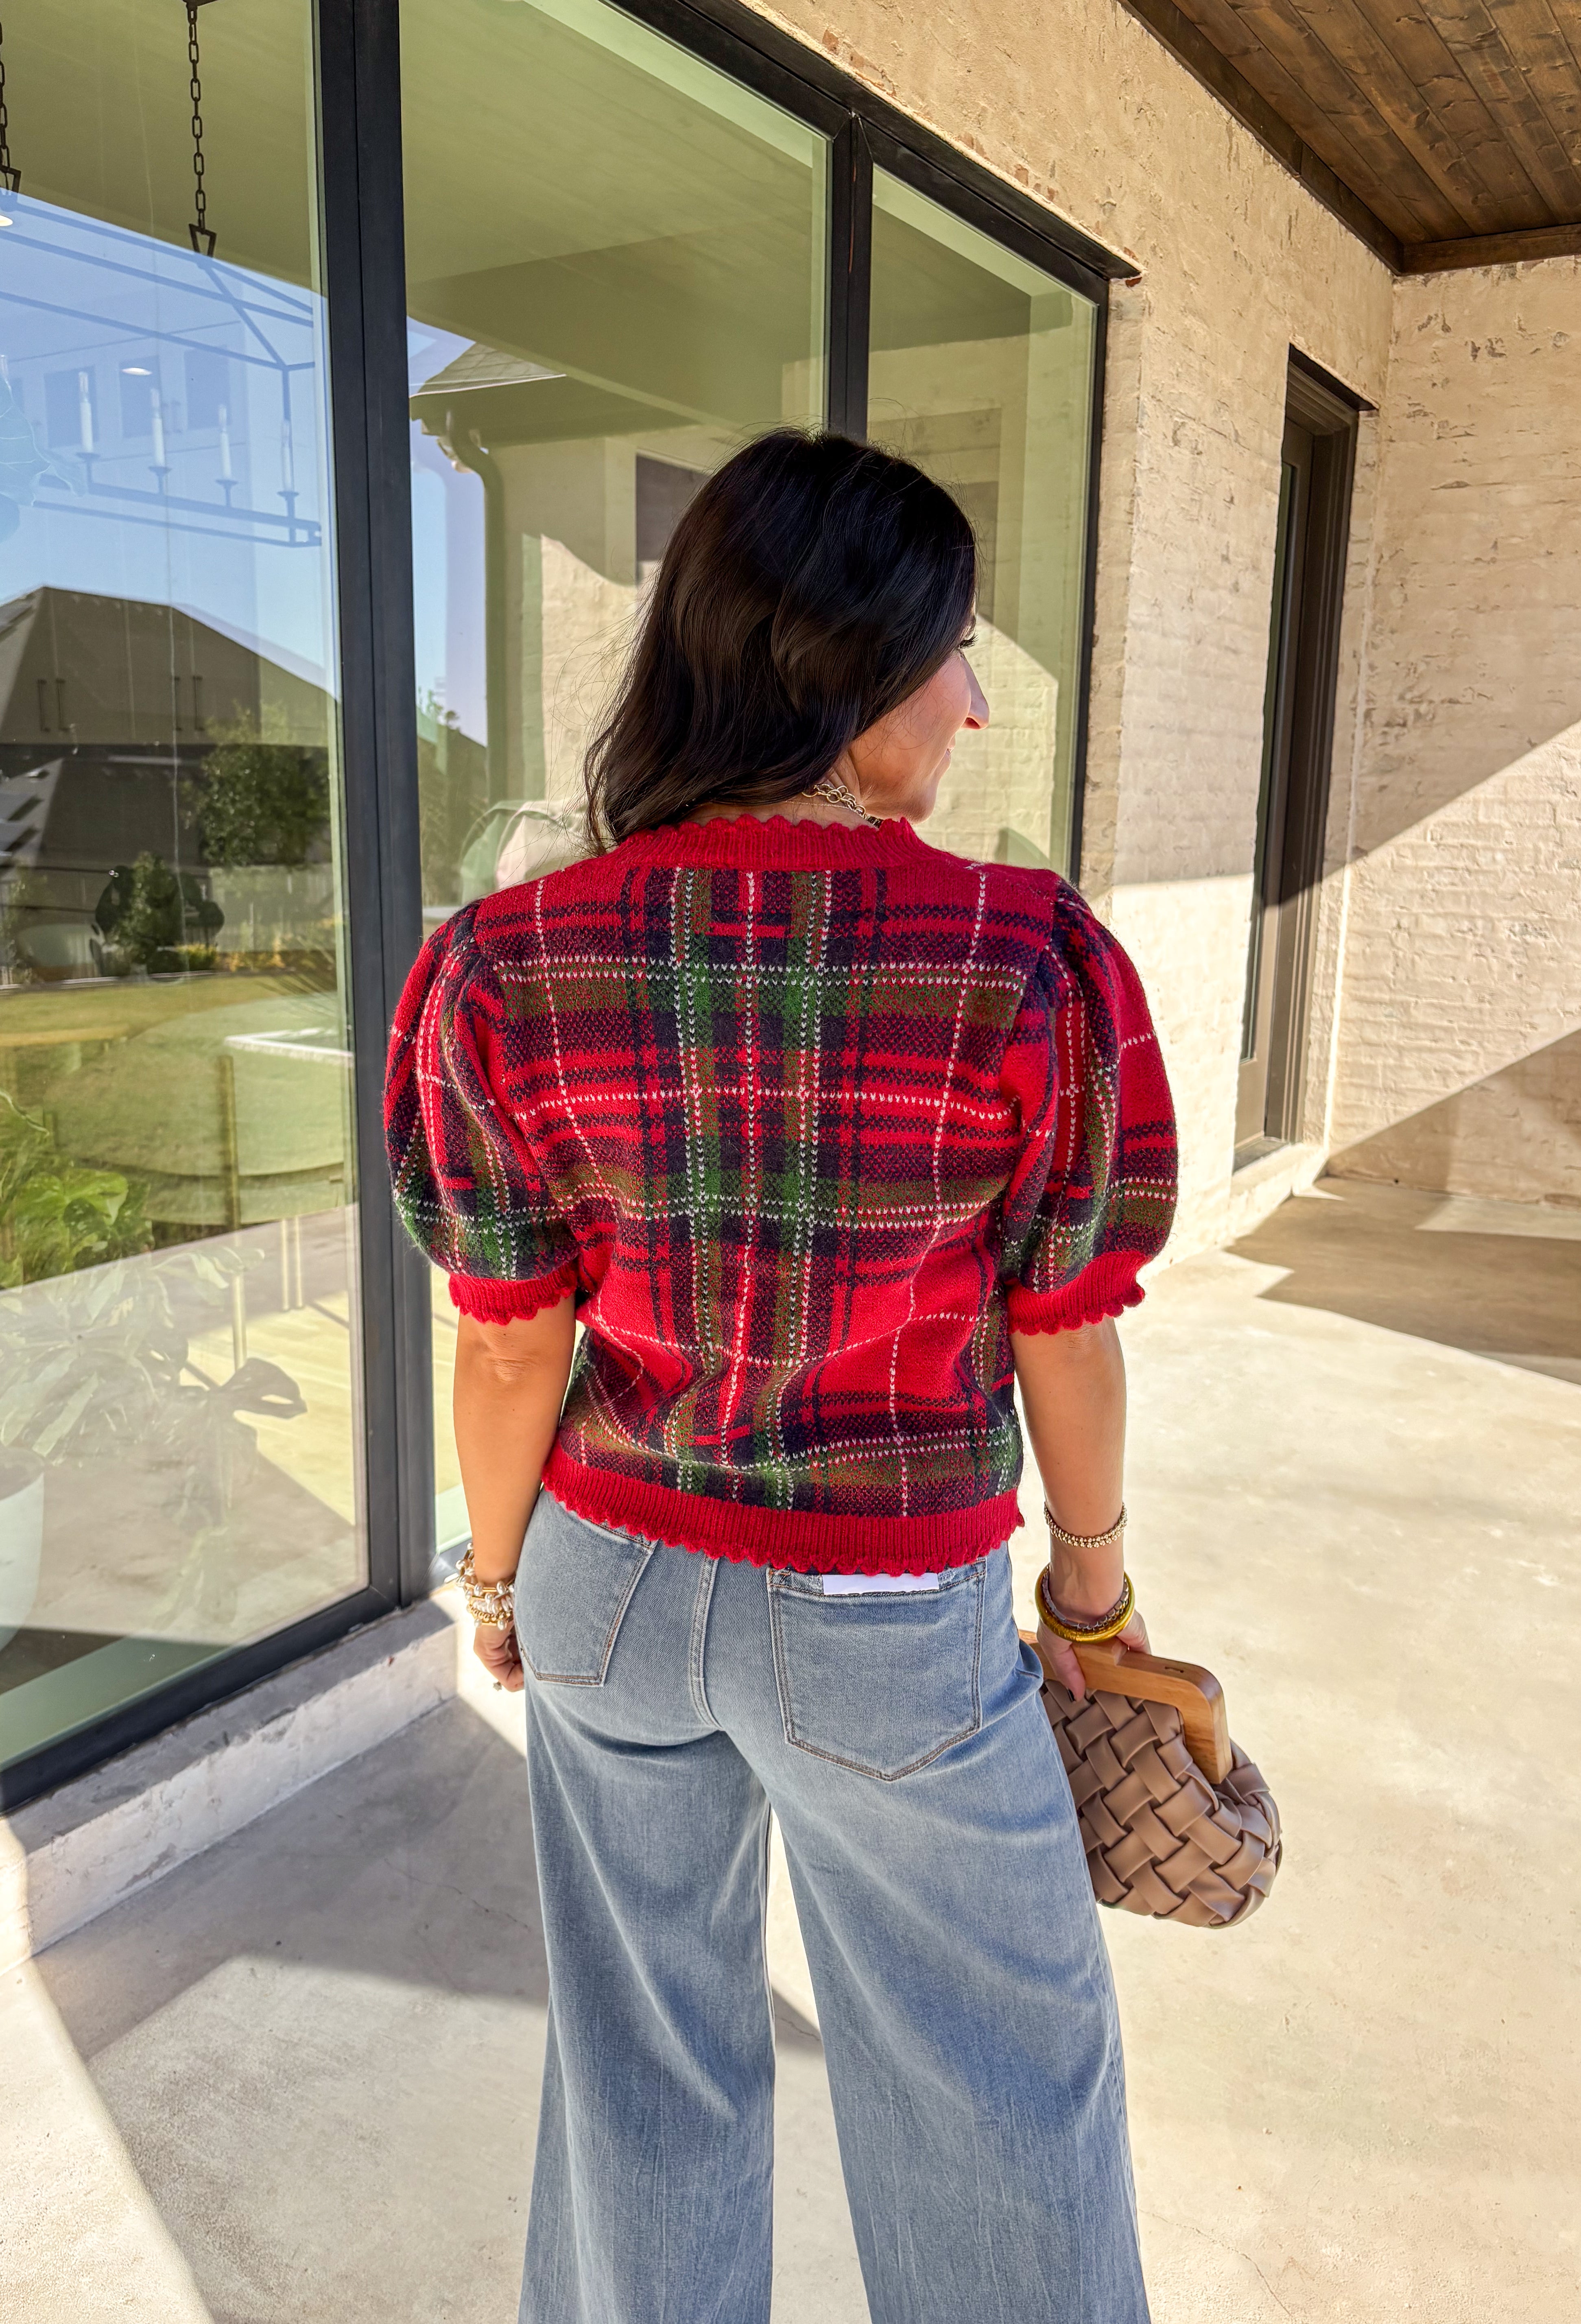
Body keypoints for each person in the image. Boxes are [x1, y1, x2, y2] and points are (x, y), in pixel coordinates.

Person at [384, 428, 1177, 2324]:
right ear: (849, 673)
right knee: (1001, 2082)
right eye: (955, 652)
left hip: (609, 1584)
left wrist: (497, 1586)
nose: (976, 704)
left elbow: (506, 1342)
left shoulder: (504, 963)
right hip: (891, 1616)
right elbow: (1064, 1326)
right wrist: (1095, 1587)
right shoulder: (1027, 961)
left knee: (638, 2072)